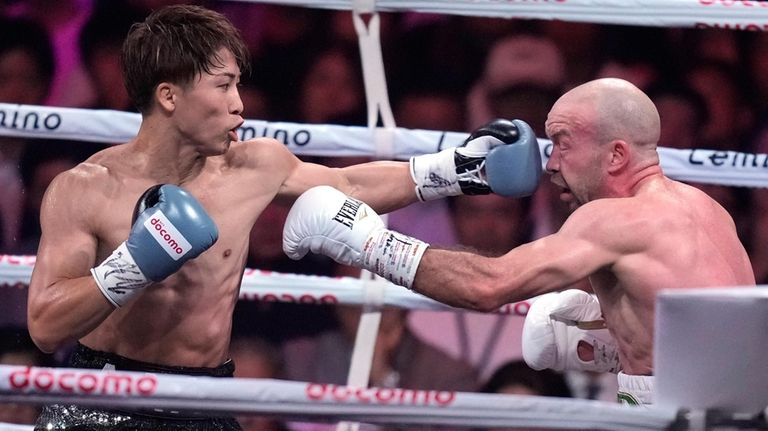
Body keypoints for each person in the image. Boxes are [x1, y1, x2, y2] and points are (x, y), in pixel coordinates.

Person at [26, 5, 537, 430]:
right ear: (169, 96)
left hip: (204, 398)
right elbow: (46, 327)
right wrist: (131, 265)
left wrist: (461, 169)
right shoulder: (84, 189)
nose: (239, 106)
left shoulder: (253, 166)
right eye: (223, 86)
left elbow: (351, 185)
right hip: (104, 400)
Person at [283, 77, 756, 406]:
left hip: (679, 414)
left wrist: (368, 242)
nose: (550, 165)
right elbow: (723, 340)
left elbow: (489, 285)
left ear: (615, 155)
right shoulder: (706, 208)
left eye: (564, 143)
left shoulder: (614, 219)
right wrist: (621, 342)